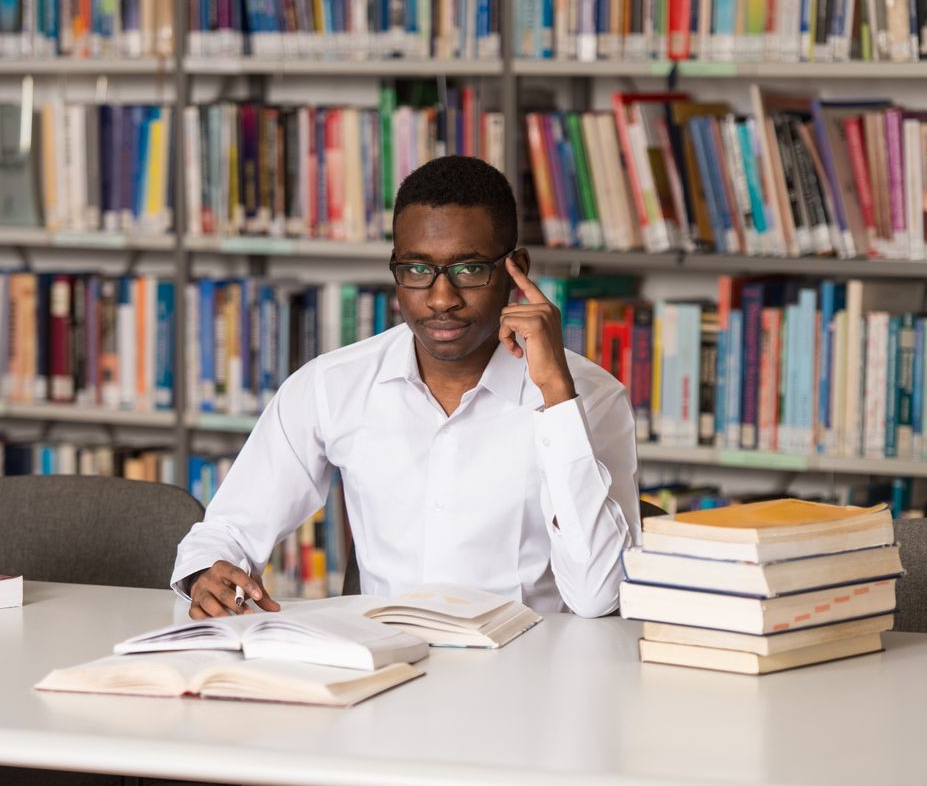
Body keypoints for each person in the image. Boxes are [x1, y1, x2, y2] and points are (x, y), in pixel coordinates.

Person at [171, 155, 639, 619]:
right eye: (417, 270)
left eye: (469, 269)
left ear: (516, 268)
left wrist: (556, 395)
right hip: (384, 668)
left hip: (528, 674)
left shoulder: (590, 399)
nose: (441, 299)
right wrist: (207, 573)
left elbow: (600, 596)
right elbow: (228, 527)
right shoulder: (334, 384)